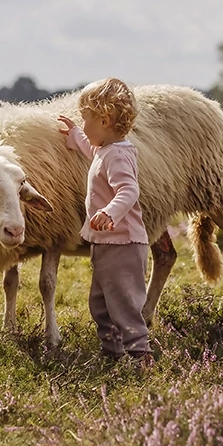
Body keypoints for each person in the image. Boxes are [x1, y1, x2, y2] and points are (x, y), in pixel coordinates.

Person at [57, 77, 153, 367]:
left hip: (123, 243)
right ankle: (112, 353)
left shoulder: (119, 155)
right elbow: (92, 151)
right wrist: (75, 136)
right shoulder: (106, 150)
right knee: (100, 304)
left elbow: (129, 190)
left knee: (124, 304)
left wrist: (111, 212)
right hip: (107, 243)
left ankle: (140, 354)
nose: (83, 124)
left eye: (85, 119)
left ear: (104, 119)